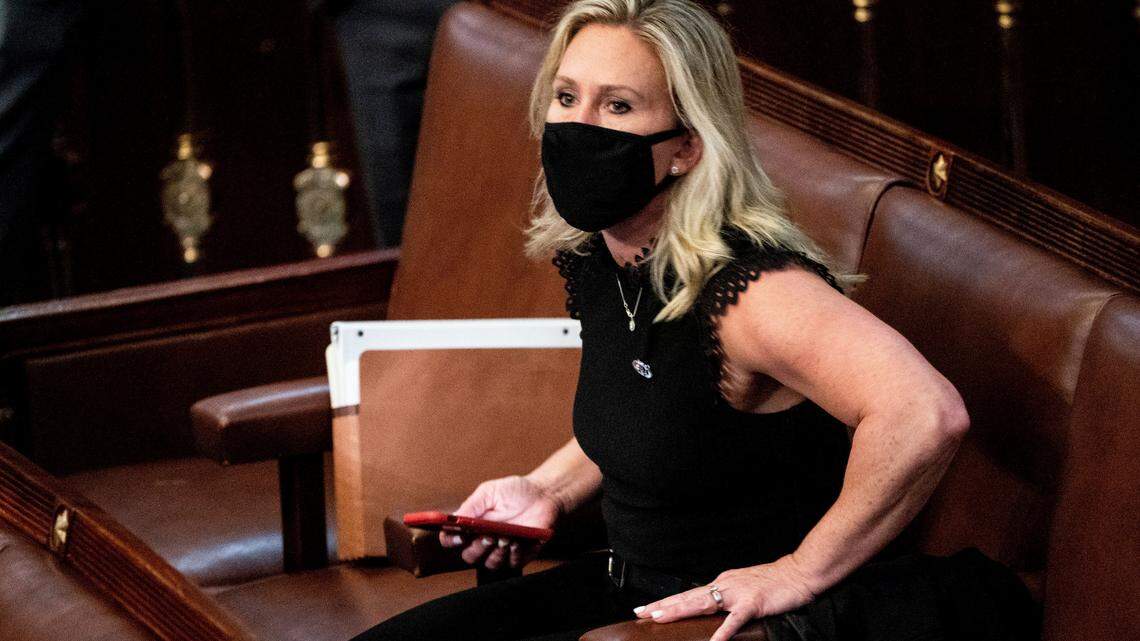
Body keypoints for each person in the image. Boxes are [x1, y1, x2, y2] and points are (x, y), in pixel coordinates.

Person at [349, 1, 1040, 640]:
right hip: (631, 587)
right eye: (566, 97)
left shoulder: (751, 293)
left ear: (687, 147)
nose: (579, 126)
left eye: (617, 105)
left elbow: (925, 411)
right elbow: (661, 409)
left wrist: (798, 569)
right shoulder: (604, 252)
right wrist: (544, 489)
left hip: (728, 622)